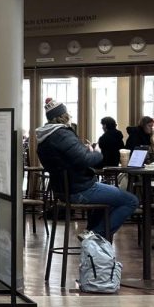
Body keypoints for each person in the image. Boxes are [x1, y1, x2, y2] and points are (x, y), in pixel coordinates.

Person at [35, 100, 138, 239]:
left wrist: (84, 152)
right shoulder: (62, 134)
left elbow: (70, 159)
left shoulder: (44, 138)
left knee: (107, 196)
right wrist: (95, 152)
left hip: (62, 190)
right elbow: (85, 159)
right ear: (63, 116)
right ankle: (95, 235)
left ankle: (90, 233)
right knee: (131, 200)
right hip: (80, 189)